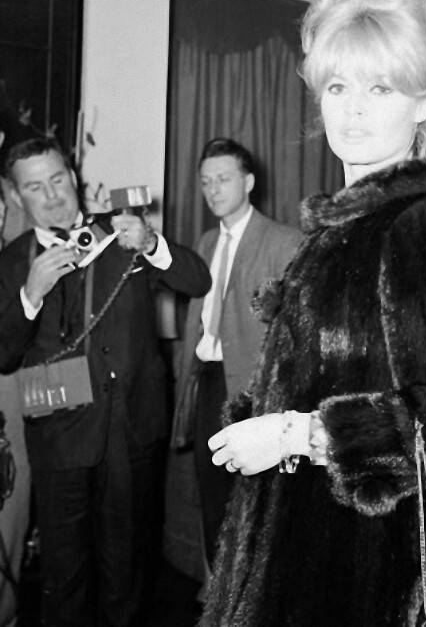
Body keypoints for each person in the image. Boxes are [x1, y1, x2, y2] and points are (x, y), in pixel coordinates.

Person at [200, 0, 426, 627]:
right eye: (337, 88)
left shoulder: (419, 222)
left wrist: (294, 434)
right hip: (296, 553)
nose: (353, 112)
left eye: (380, 89)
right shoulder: (348, 224)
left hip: (362, 575)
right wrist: (259, 414)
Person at [0, 136, 211, 627]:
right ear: (17, 196)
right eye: (35, 187)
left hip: (128, 431)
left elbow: (197, 280)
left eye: (57, 179)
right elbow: (4, 357)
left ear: (73, 177)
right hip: (57, 437)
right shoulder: (11, 263)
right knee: (65, 576)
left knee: (126, 573)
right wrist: (31, 295)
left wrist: (153, 244)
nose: (51, 195)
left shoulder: (120, 235)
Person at [171, 137, 302, 569]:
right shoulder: (206, 242)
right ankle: (217, 589)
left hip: (253, 392)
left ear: (248, 182)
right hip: (207, 383)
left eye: (223, 179)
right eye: (206, 182)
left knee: (256, 510)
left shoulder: (284, 241)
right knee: (212, 499)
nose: (213, 190)